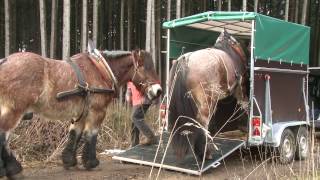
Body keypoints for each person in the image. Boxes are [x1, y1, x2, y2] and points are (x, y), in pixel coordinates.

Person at [126, 82, 159, 147]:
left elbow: (128, 95)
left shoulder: (138, 75)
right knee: (134, 123)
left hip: (142, 101)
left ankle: (151, 137)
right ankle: (134, 144)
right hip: (137, 102)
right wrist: (129, 100)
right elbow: (129, 93)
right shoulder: (129, 81)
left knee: (135, 117)